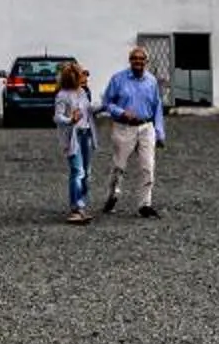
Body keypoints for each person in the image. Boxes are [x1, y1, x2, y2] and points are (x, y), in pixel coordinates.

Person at [97, 45, 165, 218]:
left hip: (146, 127)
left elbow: (157, 107)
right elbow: (107, 103)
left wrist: (159, 131)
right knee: (119, 166)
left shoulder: (151, 81)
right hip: (124, 127)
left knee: (148, 167)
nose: (138, 62)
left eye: (141, 59)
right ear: (130, 60)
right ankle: (112, 195)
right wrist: (122, 112)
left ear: (146, 62)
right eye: (135, 58)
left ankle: (145, 204)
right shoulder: (118, 79)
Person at [53, 60, 97, 224]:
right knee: (77, 171)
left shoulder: (83, 92)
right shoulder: (62, 95)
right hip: (74, 136)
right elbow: (57, 117)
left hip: (86, 134)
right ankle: (76, 207)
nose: (84, 78)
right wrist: (71, 120)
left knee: (87, 171)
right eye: (81, 75)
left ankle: (81, 204)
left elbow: (88, 109)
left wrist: (103, 107)